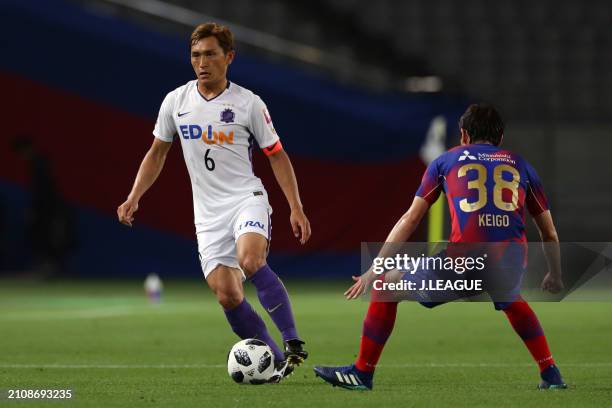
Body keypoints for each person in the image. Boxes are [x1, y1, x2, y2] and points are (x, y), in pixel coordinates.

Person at [314, 104, 567, 390]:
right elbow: (549, 233)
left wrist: (375, 268)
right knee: (510, 298)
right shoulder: (521, 165)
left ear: (463, 134)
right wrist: (554, 275)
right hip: (510, 262)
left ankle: (362, 373)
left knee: (385, 285)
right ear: (500, 137)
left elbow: (410, 219)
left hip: (465, 262)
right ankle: (551, 373)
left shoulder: (446, 162)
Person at [117, 22, 311, 381]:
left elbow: (277, 155)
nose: (202, 62)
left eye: (210, 54)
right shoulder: (176, 102)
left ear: (229, 57)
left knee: (251, 259)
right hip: (207, 214)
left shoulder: (248, 103)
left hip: (245, 199)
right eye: (195, 55)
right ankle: (272, 361)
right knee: (227, 294)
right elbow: (157, 153)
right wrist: (134, 196)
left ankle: (292, 341)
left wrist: (295, 207)